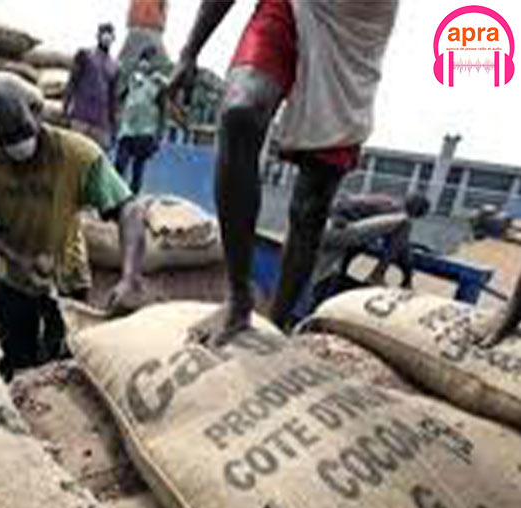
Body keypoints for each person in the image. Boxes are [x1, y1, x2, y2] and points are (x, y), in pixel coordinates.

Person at [165, 0, 399, 342]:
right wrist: (189, 52)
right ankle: (238, 299)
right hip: (290, 6)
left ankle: (278, 321)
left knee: (311, 206)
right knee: (240, 112)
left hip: (356, 30)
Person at [0, 73, 147, 381]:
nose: (17, 144)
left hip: (68, 278)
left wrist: (130, 277)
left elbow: (129, 209)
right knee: (9, 365)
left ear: (36, 111)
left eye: (22, 131)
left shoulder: (77, 155)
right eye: (6, 138)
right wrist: (18, 258)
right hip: (11, 280)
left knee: (62, 371)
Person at [312, 192, 431, 305]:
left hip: (324, 227)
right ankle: (377, 274)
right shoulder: (397, 211)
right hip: (336, 227)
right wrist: (407, 277)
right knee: (405, 223)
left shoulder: (386, 204)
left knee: (319, 278)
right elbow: (402, 248)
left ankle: (342, 273)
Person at [115, 46, 167, 195]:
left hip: (145, 131)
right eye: (143, 59)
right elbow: (120, 97)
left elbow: (163, 111)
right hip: (127, 130)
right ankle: (116, 194)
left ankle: (133, 197)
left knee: (138, 169)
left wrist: (159, 136)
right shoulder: (133, 79)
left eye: (149, 60)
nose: (145, 63)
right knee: (119, 164)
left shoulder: (158, 84)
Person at [64, 23, 119, 151]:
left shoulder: (115, 66)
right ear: (98, 35)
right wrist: (66, 106)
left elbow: (113, 98)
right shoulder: (85, 55)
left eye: (110, 33)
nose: (107, 37)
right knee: (75, 152)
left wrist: (114, 126)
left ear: (113, 38)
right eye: (104, 32)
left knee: (96, 157)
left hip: (101, 123)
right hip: (81, 116)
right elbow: (72, 82)